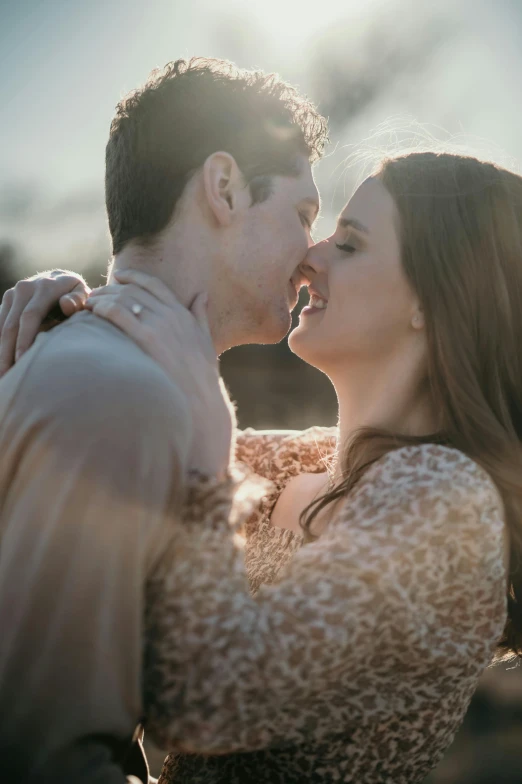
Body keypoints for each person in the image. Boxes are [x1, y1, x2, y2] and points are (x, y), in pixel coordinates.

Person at [4, 150, 518, 784]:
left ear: (435, 298)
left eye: (350, 246)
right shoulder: (290, 460)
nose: (310, 258)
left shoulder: (447, 501)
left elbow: (205, 703)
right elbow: (111, 454)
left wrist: (210, 446)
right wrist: (69, 312)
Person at [0, 58, 327, 784]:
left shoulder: (117, 375)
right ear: (224, 187)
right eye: (303, 216)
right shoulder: (115, 396)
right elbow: (50, 756)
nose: (313, 258)